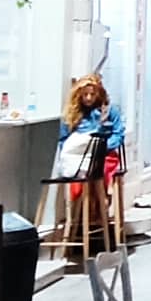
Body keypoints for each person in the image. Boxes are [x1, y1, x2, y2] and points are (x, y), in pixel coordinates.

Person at [58, 75, 126, 244]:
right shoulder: (72, 114)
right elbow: (63, 141)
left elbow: (118, 135)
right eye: (85, 95)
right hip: (79, 155)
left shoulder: (109, 111)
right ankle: (87, 210)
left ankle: (99, 205)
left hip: (104, 152)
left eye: (92, 94)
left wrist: (101, 146)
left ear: (99, 94)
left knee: (100, 169)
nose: (88, 98)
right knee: (80, 173)